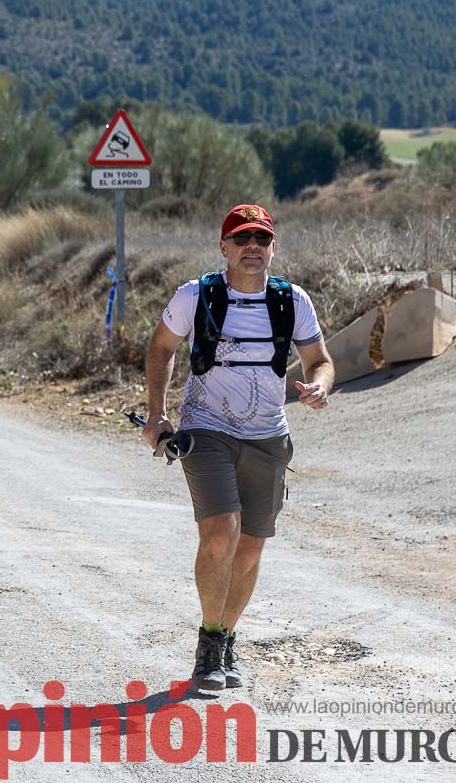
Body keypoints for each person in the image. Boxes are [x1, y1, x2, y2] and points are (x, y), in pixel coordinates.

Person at [142, 204, 334, 691]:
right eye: (242, 238)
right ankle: (208, 647)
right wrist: (157, 414)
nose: (253, 247)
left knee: (249, 549)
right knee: (221, 533)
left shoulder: (293, 300)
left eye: (262, 239)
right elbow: (161, 348)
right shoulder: (196, 296)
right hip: (207, 429)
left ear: (274, 247)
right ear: (223, 246)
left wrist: (319, 385)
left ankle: (227, 637)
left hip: (268, 435)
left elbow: (319, 360)